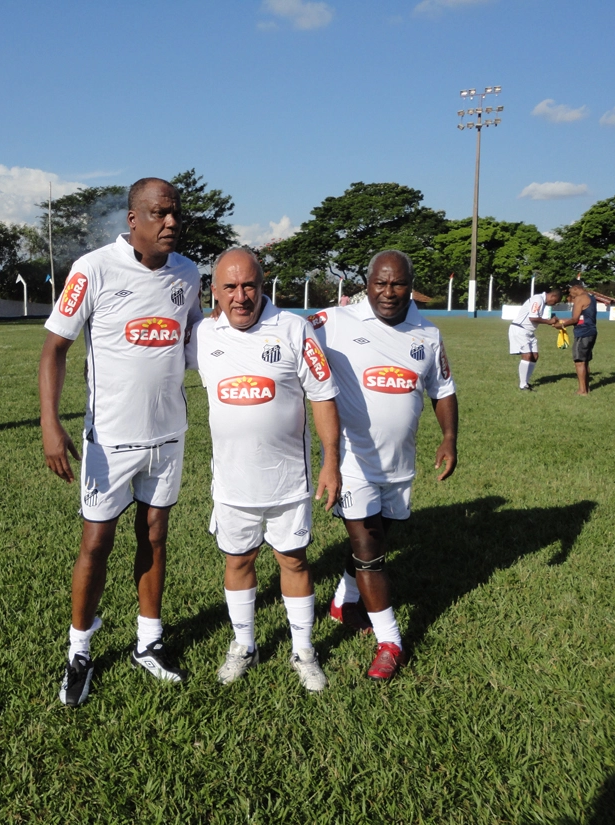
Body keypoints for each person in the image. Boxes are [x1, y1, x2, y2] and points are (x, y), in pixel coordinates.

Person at [39, 177, 203, 707]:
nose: (171, 222)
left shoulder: (188, 274)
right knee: (96, 543)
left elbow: (199, 344)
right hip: (109, 439)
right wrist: (50, 422)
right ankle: (79, 650)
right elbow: (54, 350)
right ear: (133, 220)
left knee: (155, 537)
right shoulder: (94, 269)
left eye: (175, 213)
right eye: (159, 213)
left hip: (169, 436)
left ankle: (148, 642)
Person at [187, 248, 341, 692]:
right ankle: (245, 645)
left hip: (288, 481)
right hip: (232, 483)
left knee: (292, 559)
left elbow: (323, 395)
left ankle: (304, 651)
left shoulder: (294, 329)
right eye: (230, 288)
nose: (241, 297)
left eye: (249, 285)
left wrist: (331, 461)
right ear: (213, 292)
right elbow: (158, 366)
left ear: (263, 284)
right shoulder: (202, 334)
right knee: (239, 560)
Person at [310, 250, 458, 681]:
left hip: (400, 465)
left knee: (377, 538)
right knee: (369, 550)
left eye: (398, 284)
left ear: (411, 286)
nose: (388, 292)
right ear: (367, 283)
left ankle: (342, 600)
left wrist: (449, 438)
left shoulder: (427, 334)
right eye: (380, 283)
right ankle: (390, 639)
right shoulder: (334, 321)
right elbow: (283, 328)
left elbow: (442, 389)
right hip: (353, 460)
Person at [509, 287, 562, 391]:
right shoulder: (538, 299)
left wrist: (550, 320)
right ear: (553, 296)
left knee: (535, 356)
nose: (554, 304)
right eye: (555, 302)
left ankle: (526, 383)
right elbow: (532, 317)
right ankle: (523, 385)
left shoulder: (541, 301)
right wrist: (548, 322)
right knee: (527, 355)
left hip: (529, 331)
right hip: (520, 329)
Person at [554, 278, 597, 395]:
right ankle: (586, 388)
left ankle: (582, 390)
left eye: (570, 290)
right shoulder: (591, 297)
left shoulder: (579, 298)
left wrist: (561, 325)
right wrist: (562, 321)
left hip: (583, 332)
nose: (569, 293)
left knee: (579, 362)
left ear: (576, 288)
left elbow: (575, 319)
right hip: (591, 331)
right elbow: (583, 317)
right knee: (585, 361)